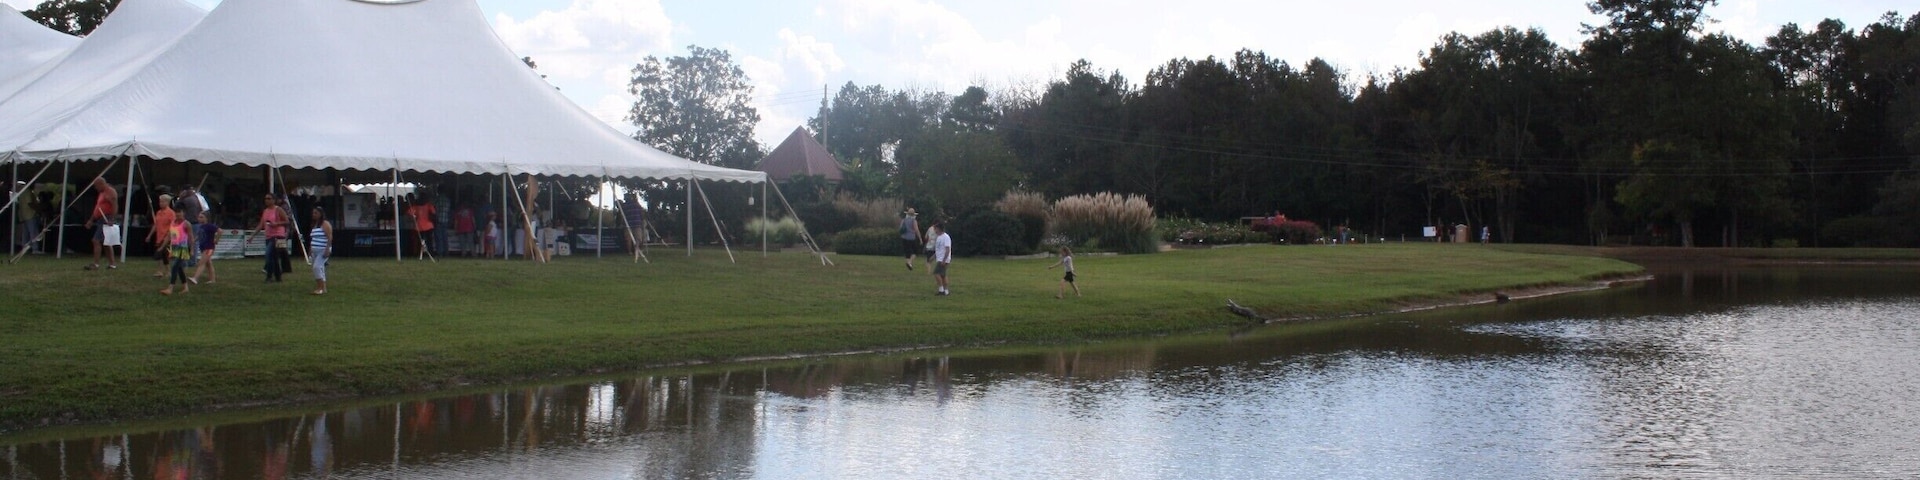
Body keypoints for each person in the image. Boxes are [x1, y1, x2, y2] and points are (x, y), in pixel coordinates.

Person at [83, 177, 118, 270]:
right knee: (106, 243)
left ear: (101, 184)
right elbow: (98, 208)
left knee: (96, 240)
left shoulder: (110, 192)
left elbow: (115, 205)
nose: (95, 188)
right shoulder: (101, 193)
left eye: (96, 186)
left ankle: (96, 264)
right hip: (99, 219)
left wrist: (112, 219)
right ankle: (112, 264)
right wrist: (91, 220)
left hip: (106, 218)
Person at [256, 194, 290, 283]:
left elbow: (287, 221)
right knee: (274, 257)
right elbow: (261, 224)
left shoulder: (278, 209)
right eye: (265, 198)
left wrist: (276, 224)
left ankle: (269, 276)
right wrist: (252, 236)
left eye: (269, 198)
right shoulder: (265, 211)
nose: (266, 200)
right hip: (268, 236)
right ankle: (278, 276)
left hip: (278, 236)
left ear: (274, 200)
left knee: (269, 255)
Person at [160, 214, 193, 296]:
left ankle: (170, 288)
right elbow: (169, 236)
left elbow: (190, 237)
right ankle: (185, 287)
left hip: (183, 248)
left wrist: (192, 249)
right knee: (179, 268)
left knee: (175, 266)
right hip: (175, 248)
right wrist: (162, 246)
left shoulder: (186, 224)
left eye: (180, 213)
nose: (179, 215)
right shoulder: (173, 223)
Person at [150, 194, 178, 278]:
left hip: (167, 236)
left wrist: (169, 236)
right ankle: (160, 271)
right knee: (159, 254)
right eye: (160, 201)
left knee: (165, 254)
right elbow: (156, 224)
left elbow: (173, 226)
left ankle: (168, 271)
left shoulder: (171, 213)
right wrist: (150, 235)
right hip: (159, 236)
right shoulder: (158, 212)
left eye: (162, 201)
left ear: (167, 202)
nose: (160, 203)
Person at [188, 211, 219, 284]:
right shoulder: (201, 226)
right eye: (199, 217)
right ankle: (212, 279)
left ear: (206, 218)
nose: (199, 219)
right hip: (203, 247)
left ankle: (195, 278)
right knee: (208, 264)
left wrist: (216, 240)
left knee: (201, 263)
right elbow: (200, 235)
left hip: (209, 248)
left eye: (201, 217)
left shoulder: (210, 226)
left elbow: (220, 231)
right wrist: (194, 240)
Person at [309, 207, 333, 295]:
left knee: (317, 267)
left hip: (323, 249)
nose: (314, 215)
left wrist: (327, 249)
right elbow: (313, 238)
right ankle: (323, 287)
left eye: (316, 213)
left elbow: (329, 237)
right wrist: (310, 250)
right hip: (315, 250)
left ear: (321, 214)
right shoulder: (315, 225)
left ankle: (320, 287)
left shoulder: (325, 224)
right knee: (321, 268)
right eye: (313, 213)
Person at [931, 222, 952, 296]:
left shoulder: (946, 237)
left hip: (943, 259)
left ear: (939, 229)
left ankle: (941, 290)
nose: (935, 230)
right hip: (939, 258)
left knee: (936, 273)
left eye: (935, 229)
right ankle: (946, 291)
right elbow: (939, 249)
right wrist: (933, 256)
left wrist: (944, 260)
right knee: (943, 275)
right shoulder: (939, 237)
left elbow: (947, 249)